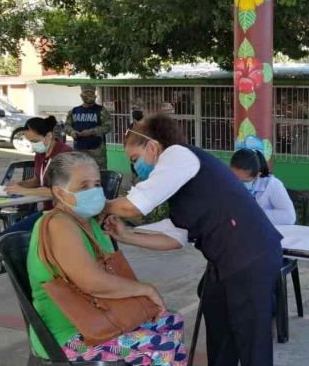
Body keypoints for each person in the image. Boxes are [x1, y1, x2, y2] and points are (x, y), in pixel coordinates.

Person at [102, 115, 283, 366]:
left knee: (252, 342)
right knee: (219, 334)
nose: (135, 168)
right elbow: (177, 237)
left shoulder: (178, 156)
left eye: (135, 159)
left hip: (250, 256)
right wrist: (127, 236)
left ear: (152, 146)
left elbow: (136, 205)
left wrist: (99, 207)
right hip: (224, 262)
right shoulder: (181, 182)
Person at [27, 152, 188, 365]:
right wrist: (146, 289)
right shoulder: (58, 224)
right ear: (60, 192)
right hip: (69, 333)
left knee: (172, 321)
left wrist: (122, 234)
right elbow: (92, 282)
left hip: (101, 314)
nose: (94, 191)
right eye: (84, 186)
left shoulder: (87, 221)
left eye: (96, 184)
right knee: (160, 349)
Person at [3, 116, 72, 234]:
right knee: (8, 235)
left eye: (35, 141)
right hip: (48, 211)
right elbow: (38, 180)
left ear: (49, 136)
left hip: (65, 213)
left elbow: (60, 192)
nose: (33, 145)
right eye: (30, 142)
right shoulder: (40, 154)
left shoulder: (65, 155)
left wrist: (23, 191)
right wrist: (19, 185)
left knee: (18, 238)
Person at [230, 148, 296, 225]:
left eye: (245, 181)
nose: (239, 183)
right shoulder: (228, 182)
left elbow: (289, 217)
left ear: (258, 175)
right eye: (235, 178)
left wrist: (254, 214)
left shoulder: (272, 185)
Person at [65, 84, 112, 169]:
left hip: (97, 152)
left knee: (99, 175)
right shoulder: (74, 111)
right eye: (87, 93)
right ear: (82, 95)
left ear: (95, 95)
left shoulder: (101, 110)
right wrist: (72, 132)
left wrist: (91, 132)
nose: (89, 96)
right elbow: (66, 126)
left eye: (91, 93)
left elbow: (108, 126)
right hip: (79, 150)